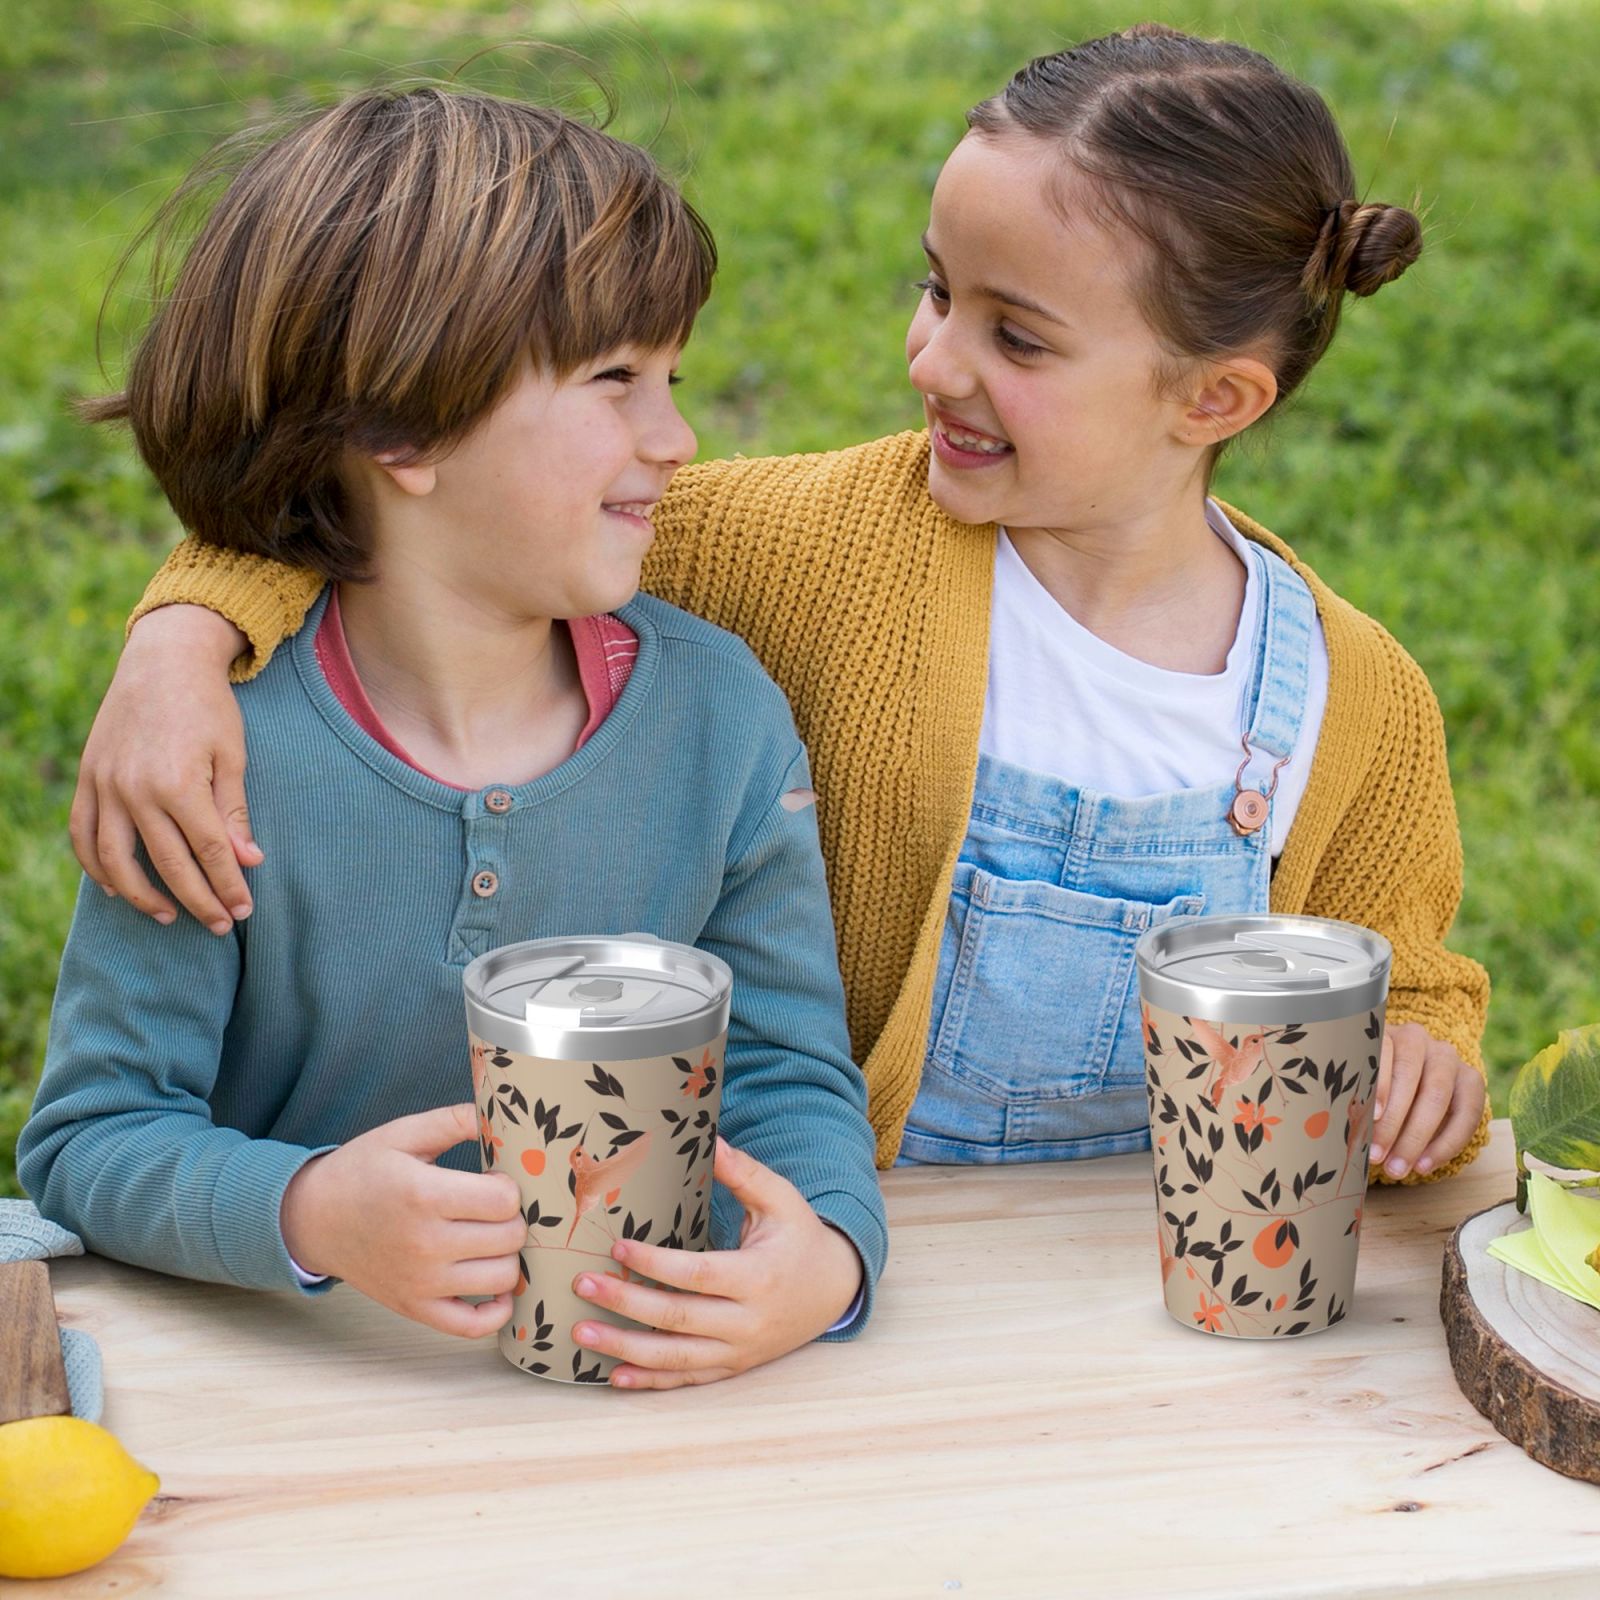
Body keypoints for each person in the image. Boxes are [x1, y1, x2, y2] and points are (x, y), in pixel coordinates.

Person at [68, 25, 1490, 1189]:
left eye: (1018, 335)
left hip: (1150, 1293)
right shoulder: (808, 547)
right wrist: (185, 635)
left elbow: (1403, 976)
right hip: (849, 1250)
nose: (933, 358)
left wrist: (1422, 1055)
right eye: (937, 290)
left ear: (1216, 398)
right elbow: (420, 506)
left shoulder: (1353, 698)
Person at [20, 86, 887, 1391]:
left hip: (643, 1401)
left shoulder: (723, 720)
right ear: (398, 430)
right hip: (305, 1404)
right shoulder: (208, 757)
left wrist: (826, 1255)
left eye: (673, 379)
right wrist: (312, 1211)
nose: (677, 438)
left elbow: (782, 1074)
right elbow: (94, 1138)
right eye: (614, 383)